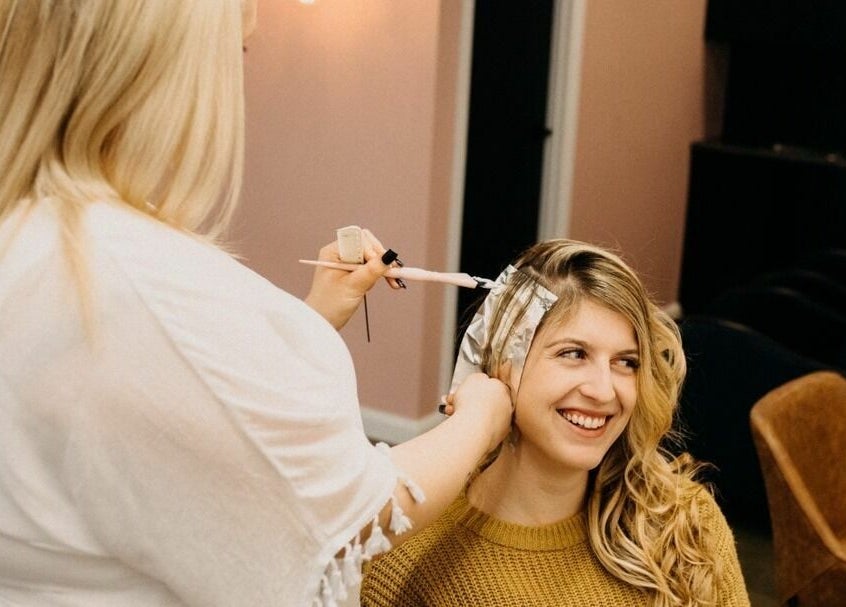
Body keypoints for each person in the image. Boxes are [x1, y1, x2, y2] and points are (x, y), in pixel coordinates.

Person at [0, 2, 513, 606]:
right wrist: (481, 415)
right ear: (166, 61)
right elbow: (345, 520)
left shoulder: (35, 236)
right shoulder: (130, 280)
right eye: (239, 52)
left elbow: (179, 409)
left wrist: (314, 317)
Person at [361, 239, 752, 607]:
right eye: (573, 354)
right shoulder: (401, 557)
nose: (604, 390)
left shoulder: (686, 524)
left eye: (626, 362)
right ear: (502, 363)